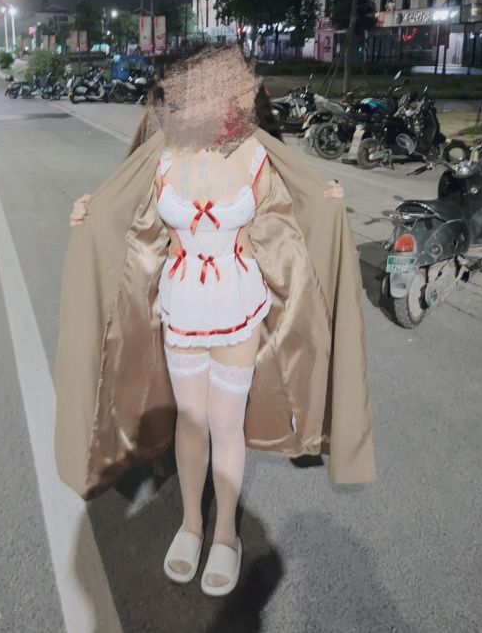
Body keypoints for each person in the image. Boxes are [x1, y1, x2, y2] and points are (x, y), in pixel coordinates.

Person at [55, 42, 375, 598]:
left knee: (226, 423)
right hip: (181, 305)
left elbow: (293, 216)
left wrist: (325, 201)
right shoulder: (161, 155)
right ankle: (190, 524)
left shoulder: (255, 155)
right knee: (191, 420)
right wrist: (89, 213)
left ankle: (225, 531)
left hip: (237, 305)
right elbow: (125, 217)